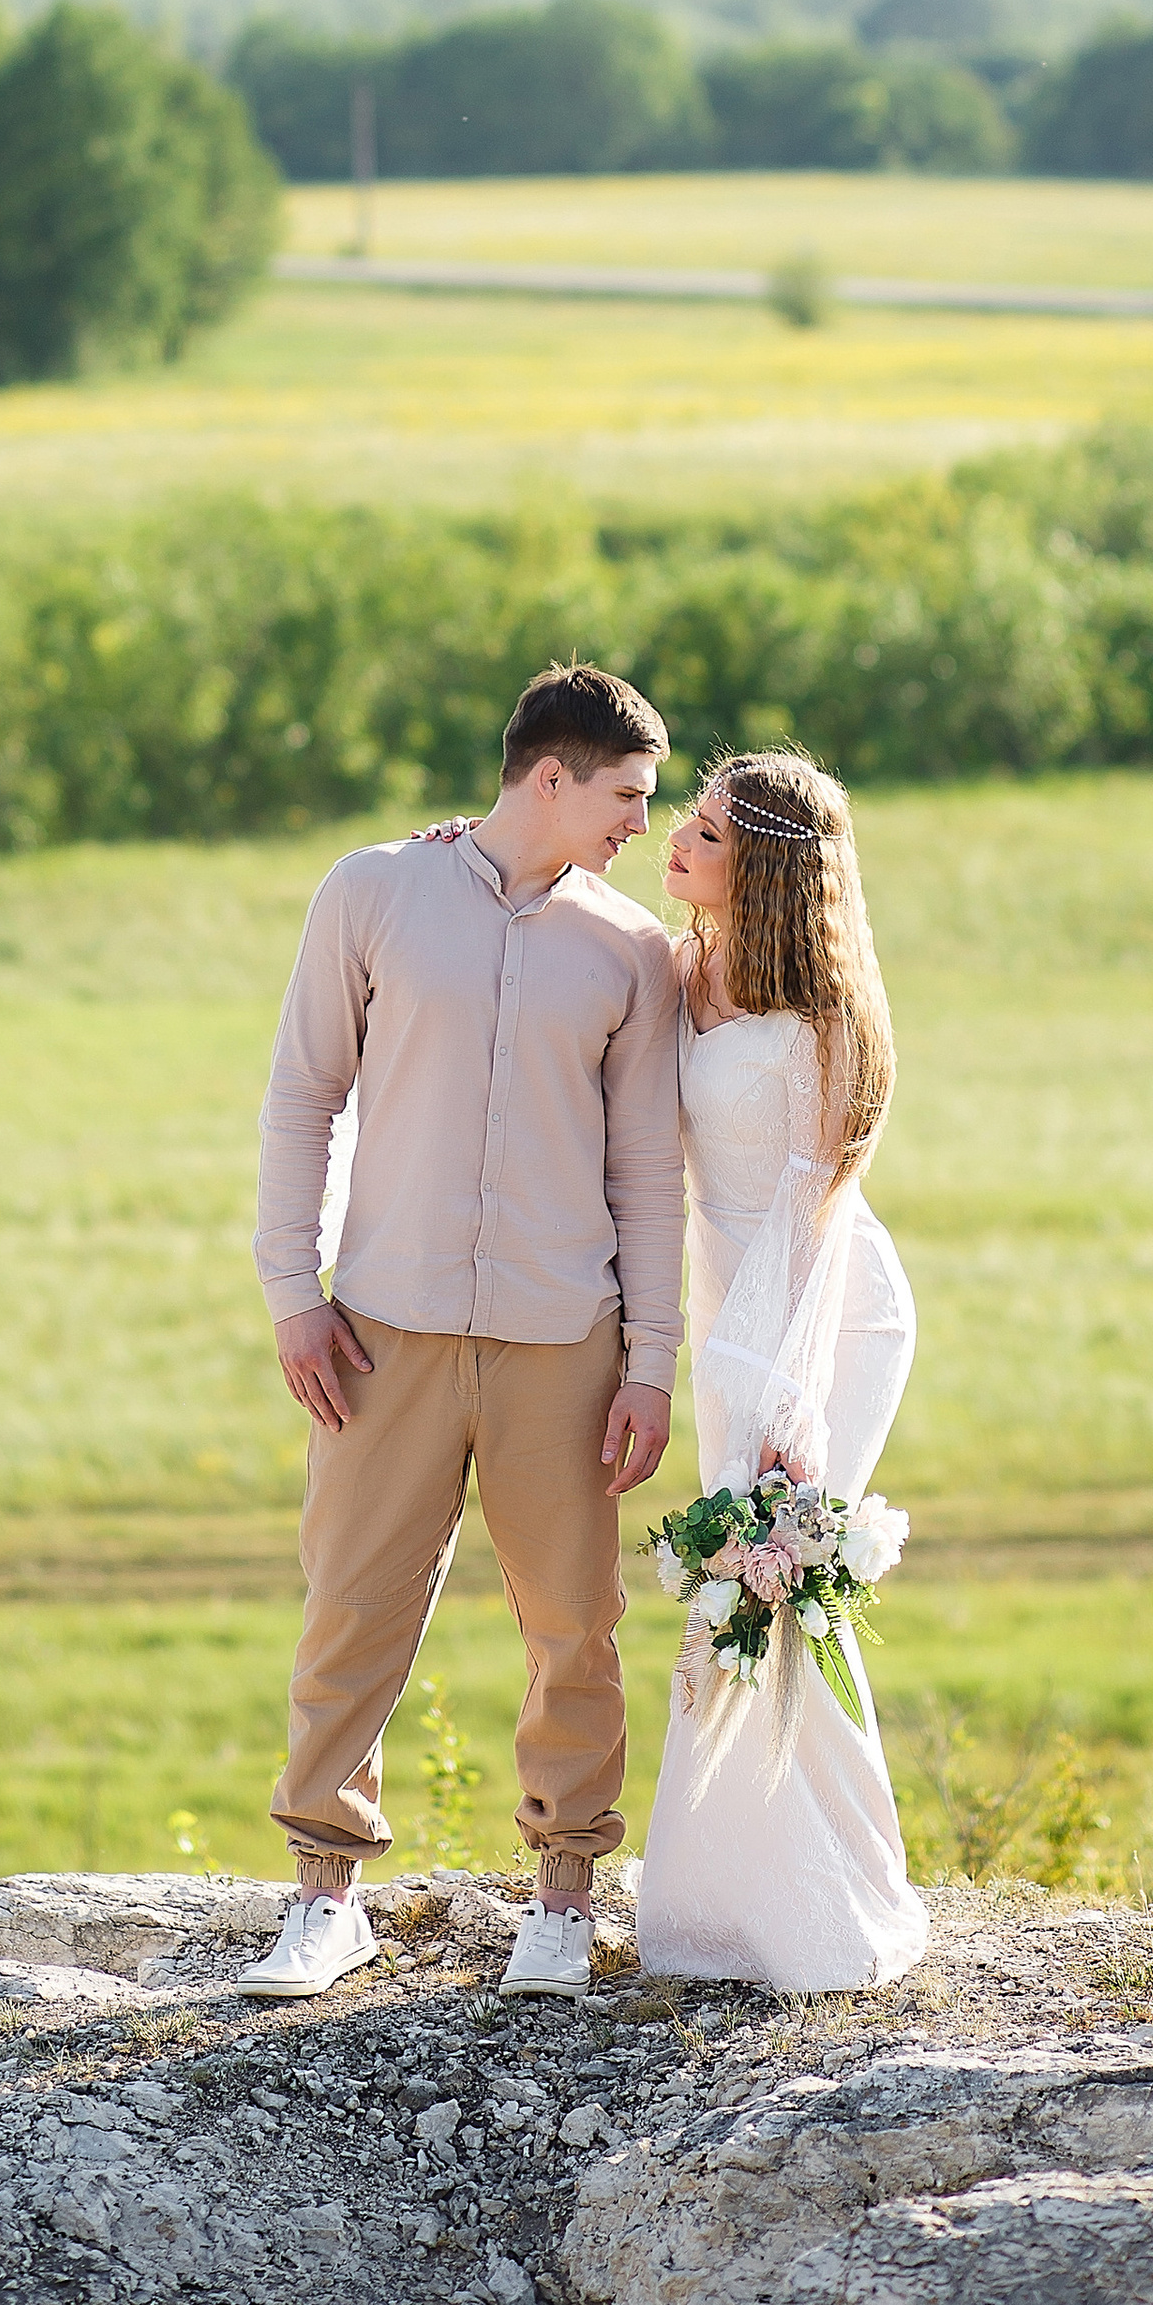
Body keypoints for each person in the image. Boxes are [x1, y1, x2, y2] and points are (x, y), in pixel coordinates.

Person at [242, 663, 685, 2004]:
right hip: (385, 1330)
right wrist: (292, 1289)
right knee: (351, 1609)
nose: (642, 824)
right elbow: (303, 1096)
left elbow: (647, 1173)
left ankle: (563, 1901)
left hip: (565, 1342)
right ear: (550, 777)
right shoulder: (371, 892)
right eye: (627, 796)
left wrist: (650, 1364)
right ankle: (326, 1898)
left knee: (575, 1627)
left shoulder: (633, 951)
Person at [636, 748, 929, 1991]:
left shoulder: (826, 1019)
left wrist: (786, 1400)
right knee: (735, 1585)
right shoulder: (680, 965)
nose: (677, 840)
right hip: (728, 1308)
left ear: (760, 869)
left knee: (787, 1580)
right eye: (687, 819)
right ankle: (717, 1901)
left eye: (707, 833)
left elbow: (812, 1218)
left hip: (824, 1316)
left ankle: (830, 1900)